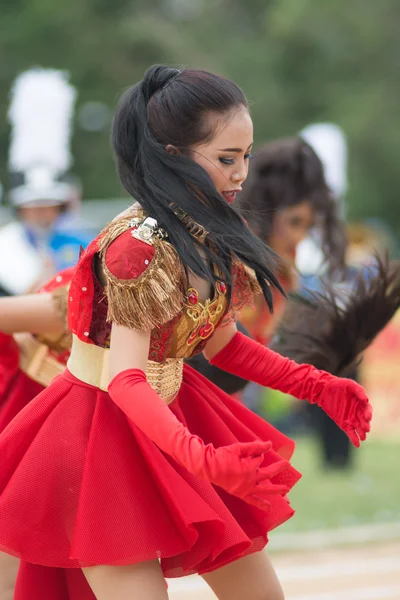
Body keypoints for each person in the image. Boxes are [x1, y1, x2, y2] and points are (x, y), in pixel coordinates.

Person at [0, 65, 372, 600]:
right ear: (171, 154)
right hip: (97, 434)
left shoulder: (216, 234)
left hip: (167, 417)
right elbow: (126, 378)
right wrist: (202, 457)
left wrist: (319, 385)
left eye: (246, 155)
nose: (242, 173)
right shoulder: (138, 248)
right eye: (226, 159)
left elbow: (224, 344)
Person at [0, 68, 92, 296]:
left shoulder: (81, 242)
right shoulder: (8, 243)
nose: (41, 213)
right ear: (22, 209)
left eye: (47, 205)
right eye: (34, 207)